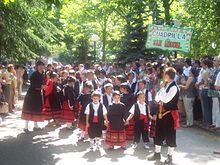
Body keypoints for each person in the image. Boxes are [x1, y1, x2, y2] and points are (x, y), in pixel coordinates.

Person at [148, 67, 179, 164]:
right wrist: (162, 90)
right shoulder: (165, 86)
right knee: (158, 133)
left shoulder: (174, 87)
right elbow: (157, 99)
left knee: (170, 134)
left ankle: (169, 156)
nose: (163, 76)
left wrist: (162, 92)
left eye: (164, 74)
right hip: (161, 113)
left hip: (169, 114)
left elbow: (165, 100)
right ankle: (157, 153)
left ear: (167, 75)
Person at [21, 61, 45, 133]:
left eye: (42, 65)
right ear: (37, 66)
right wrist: (41, 86)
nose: (41, 67)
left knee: (36, 110)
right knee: (29, 110)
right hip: (31, 94)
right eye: (39, 65)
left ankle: (35, 126)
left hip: (37, 94)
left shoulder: (42, 74)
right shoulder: (34, 74)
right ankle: (25, 127)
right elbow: (33, 85)